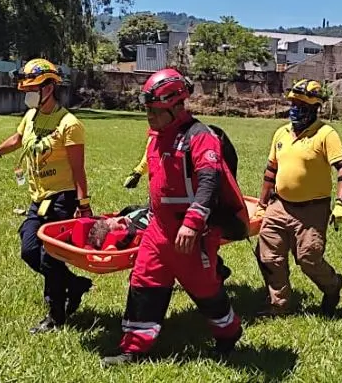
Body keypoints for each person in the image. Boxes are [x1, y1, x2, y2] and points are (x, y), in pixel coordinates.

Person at [100, 68, 248, 367]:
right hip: (159, 229)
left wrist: (193, 223)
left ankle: (228, 334)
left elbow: (209, 180)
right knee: (143, 282)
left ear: (177, 106)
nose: (149, 117)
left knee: (205, 290)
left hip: (191, 234)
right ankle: (134, 349)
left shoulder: (200, 137)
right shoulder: (156, 138)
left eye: (155, 111)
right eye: (148, 111)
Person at [0, 58, 93, 334]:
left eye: (32, 89)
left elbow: (78, 169)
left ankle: (55, 316)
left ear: (49, 88)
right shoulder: (31, 116)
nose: (27, 94)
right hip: (37, 198)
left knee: (50, 257)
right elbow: (17, 140)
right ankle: (74, 285)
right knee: (30, 251)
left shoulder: (69, 124)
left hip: (62, 198)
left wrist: (84, 204)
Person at [252, 78, 342, 317]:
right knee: (269, 256)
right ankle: (280, 305)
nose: (295, 108)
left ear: (315, 108)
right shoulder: (281, 133)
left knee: (309, 259)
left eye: (302, 104)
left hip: (312, 210)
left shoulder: (325, 134)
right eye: (293, 103)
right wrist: (261, 204)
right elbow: (270, 172)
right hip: (279, 206)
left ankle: (332, 285)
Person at [85, 206, 232, 284]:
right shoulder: (130, 231)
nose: (113, 220)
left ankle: (217, 268)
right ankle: (218, 268)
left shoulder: (129, 225)